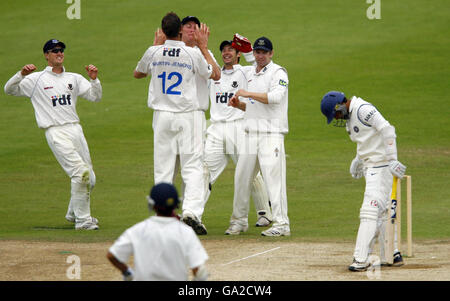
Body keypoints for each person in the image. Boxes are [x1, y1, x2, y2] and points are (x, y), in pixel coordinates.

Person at [133, 12, 218, 236]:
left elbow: (138, 73)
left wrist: (155, 46)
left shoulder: (154, 51)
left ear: (162, 31)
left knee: (163, 168)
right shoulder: (191, 54)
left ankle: (162, 217)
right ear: (180, 31)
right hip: (188, 115)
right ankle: (190, 212)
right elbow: (213, 74)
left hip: (162, 116)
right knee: (192, 166)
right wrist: (204, 46)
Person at [4, 39, 102, 230]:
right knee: (79, 173)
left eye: (61, 50)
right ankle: (83, 221)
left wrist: (94, 79)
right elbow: (9, 90)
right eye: (54, 50)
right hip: (55, 131)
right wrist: (21, 74)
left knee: (90, 178)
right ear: (46, 55)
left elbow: (95, 97)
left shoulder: (73, 78)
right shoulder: (35, 80)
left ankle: (73, 214)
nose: (59, 53)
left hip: (75, 129)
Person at [320, 91, 406, 271]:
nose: (336, 118)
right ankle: (391, 253)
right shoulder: (351, 119)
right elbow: (366, 140)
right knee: (382, 211)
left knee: (369, 210)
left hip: (382, 167)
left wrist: (392, 159)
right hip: (372, 167)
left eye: (335, 114)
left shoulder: (362, 110)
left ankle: (361, 259)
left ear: (340, 106)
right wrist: (358, 160)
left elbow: (387, 129)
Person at [203, 38, 273, 234]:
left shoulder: (245, 71)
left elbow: (258, 64)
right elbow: (203, 60)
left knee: (247, 172)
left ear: (237, 54)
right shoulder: (214, 73)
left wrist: (249, 49)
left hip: (239, 126)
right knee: (205, 170)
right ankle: (193, 215)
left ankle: (264, 213)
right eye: (224, 50)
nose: (227, 53)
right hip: (216, 127)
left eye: (231, 50)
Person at [228, 37, 290, 237]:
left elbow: (275, 98)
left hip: (271, 135)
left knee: (273, 180)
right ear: (254, 53)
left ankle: (281, 223)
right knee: (241, 178)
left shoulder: (278, 72)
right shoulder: (251, 73)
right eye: (257, 52)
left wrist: (248, 93)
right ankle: (239, 221)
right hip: (251, 133)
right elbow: (255, 108)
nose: (260, 56)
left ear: (271, 53)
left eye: (264, 52)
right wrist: (240, 105)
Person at [107, 182, 209, 281]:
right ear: (176, 204)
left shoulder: (138, 230)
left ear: (152, 204)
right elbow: (200, 272)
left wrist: (127, 272)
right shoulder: (186, 232)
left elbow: (112, 255)